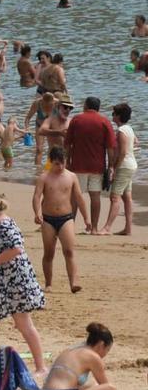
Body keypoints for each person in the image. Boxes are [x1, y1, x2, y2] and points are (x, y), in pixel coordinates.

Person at [0, 194, 46, 373]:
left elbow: (17, 248)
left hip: (13, 281)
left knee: (23, 323)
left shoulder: (4, 225)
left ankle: (40, 366)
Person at [31, 146, 88, 293]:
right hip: (48, 219)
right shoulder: (44, 177)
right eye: (57, 163)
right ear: (51, 162)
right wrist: (37, 213)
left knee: (69, 251)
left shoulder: (71, 176)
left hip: (66, 218)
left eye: (63, 163)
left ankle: (74, 282)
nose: (60, 166)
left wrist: (87, 218)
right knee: (49, 253)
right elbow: (37, 197)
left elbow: (79, 198)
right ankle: (49, 283)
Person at [64, 97, 116, 234]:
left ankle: (71, 226)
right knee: (95, 196)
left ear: (86, 106)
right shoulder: (104, 121)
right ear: (98, 107)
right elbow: (111, 147)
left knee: (75, 197)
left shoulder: (76, 119)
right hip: (97, 165)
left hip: (78, 164)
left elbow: (67, 143)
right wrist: (111, 166)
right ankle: (94, 228)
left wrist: (67, 161)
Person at [101, 103, 136, 236]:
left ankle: (107, 227)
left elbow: (122, 152)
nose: (112, 116)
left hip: (124, 166)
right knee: (127, 198)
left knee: (114, 197)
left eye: (114, 114)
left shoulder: (121, 131)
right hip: (131, 165)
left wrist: (114, 168)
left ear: (119, 116)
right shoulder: (129, 128)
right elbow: (135, 142)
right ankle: (128, 228)